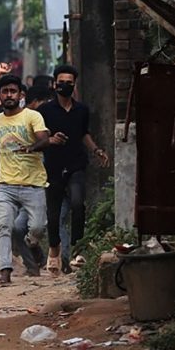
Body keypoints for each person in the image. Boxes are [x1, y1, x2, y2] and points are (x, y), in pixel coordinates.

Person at [0, 75, 66, 285]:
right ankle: (5, 270)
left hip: (33, 184)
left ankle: (32, 244)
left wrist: (31, 147)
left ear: (21, 95)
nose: (8, 95)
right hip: (5, 184)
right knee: (3, 225)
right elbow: (0, 151)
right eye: (4, 91)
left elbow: (44, 139)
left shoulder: (32, 116)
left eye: (12, 91)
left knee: (37, 228)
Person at [38, 65, 109, 274]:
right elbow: (38, 138)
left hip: (77, 164)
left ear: (74, 85)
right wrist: (51, 140)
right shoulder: (45, 111)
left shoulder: (82, 110)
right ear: (54, 84)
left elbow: (83, 134)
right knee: (53, 213)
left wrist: (96, 150)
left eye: (69, 82)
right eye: (61, 82)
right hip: (53, 166)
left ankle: (79, 251)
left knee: (78, 204)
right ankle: (54, 251)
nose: (65, 86)